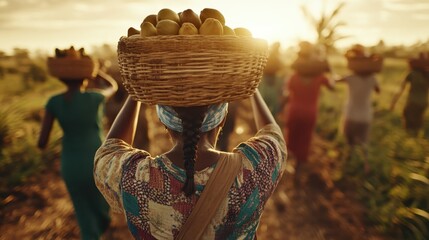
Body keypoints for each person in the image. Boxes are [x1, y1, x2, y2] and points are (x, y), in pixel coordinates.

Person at [93, 89, 287, 239]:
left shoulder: (134, 177)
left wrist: (135, 90)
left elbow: (110, 149)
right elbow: (272, 134)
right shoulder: (254, 168)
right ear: (223, 120)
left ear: (163, 122)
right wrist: (252, 86)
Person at [38, 61, 118, 239]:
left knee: (82, 209)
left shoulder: (53, 102)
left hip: (71, 163)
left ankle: (91, 234)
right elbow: (112, 87)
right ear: (86, 77)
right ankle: (100, 228)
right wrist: (96, 73)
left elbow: (42, 142)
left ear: (60, 78)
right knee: (101, 204)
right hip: (96, 160)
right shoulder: (95, 97)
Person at [282, 68, 334, 182]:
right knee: (304, 140)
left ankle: (283, 166)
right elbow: (332, 86)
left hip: (294, 112)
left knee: (292, 138)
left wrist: (282, 106)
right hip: (309, 114)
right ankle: (298, 169)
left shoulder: (294, 77)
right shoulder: (320, 77)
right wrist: (330, 70)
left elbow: (286, 93)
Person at [337, 72, 380, 145]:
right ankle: (361, 155)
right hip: (365, 117)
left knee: (350, 142)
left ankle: (351, 154)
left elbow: (335, 80)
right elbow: (378, 91)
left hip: (350, 115)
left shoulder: (350, 77)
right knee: (362, 143)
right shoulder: (372, 79)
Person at [391, 58, 429, 136]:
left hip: (412, 102)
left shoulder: (412, 74)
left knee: (408, 123)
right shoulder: (427, 75)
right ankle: (416, 140)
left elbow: (401, 89)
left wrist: (393, 102)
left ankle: (408, 140)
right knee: (418, 123)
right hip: (423, 103)